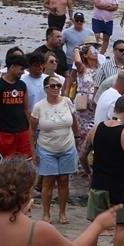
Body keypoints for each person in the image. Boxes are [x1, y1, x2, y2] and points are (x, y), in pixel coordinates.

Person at [82, 97, 124, 246]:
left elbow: (83, 155)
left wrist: (89, 172)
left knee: (95, 226)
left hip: (98, 183)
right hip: (118, 185)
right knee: (121, 225)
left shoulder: (95, 129)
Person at [34, 74, 79, 225]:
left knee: (64, 180)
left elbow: (74, 121)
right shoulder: (39, 106)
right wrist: (33, 150)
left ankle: (62, 212)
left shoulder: (67, 102)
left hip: (67, 146)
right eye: (52, 86)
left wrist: (77, 137)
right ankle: (46, 213)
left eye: (58, 85)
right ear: (45, 88)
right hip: (46, 148)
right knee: (48, 181)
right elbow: (32, 129)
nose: (56, 88)